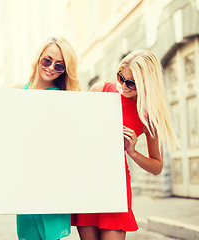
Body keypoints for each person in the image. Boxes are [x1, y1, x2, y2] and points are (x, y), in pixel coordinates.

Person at [71, 49, 176, 240]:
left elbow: (157, 167)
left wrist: (133, 152)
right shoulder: (99, 90)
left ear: (147, 85)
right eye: (121, 77)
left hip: (115, 186)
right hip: (88, 180)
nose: (123, 86)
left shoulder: (149, 115)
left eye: (131, 83)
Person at [16, 37, 81, 240]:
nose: (51, 68)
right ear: (38, 58)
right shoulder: (18, 90)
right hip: (25, 178)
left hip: (52, 178)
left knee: (51, 236)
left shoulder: (63, 98)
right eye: (47, 60)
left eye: (59, 66)